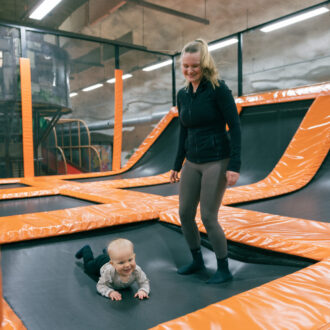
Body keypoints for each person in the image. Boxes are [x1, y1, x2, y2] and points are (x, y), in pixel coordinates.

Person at [169, 39, 241, 284]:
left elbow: (236, 127)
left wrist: (235, 165)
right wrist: (177, 164)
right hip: (193, 162)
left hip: (217, 160)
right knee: (185, 213)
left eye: (195, 66)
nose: (190, 71)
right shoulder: (183, 94)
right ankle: (197, 260)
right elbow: (183, 131)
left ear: (205, 63)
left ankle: (223, 268)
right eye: (186, 66)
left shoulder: (218, 89)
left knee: (208, 216)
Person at [75, 238, 150, 300]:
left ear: (134, 257)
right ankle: (86, 249)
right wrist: (110, 292)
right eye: (121, 263)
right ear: (112, 264)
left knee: (115, 256)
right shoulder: (109, 272)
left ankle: (107, 252)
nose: (127, 265)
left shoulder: (136, 270)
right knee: (88, 267)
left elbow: (144, 281)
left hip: (112, 259)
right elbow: (100, 286)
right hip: (100, 262)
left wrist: (143, 290)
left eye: (130, 260)